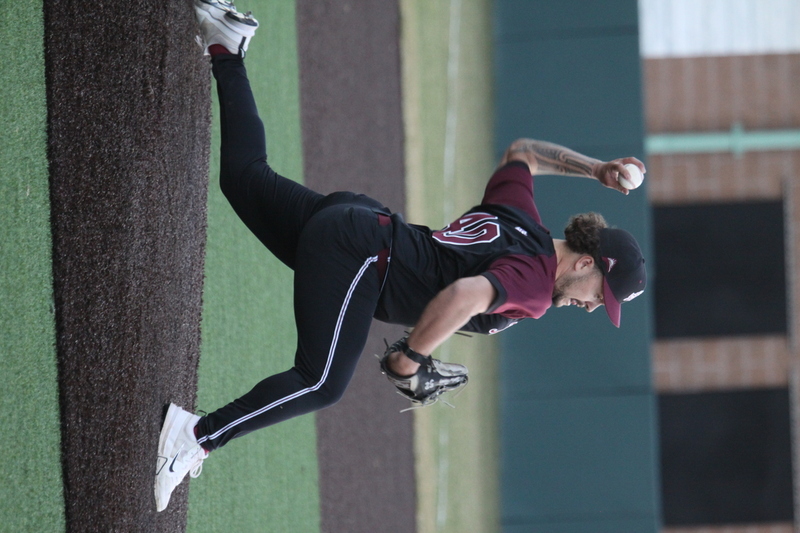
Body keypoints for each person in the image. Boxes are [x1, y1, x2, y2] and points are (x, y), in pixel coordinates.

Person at [155, 0, 648, 512]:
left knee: (245, 178)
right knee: (321, 382)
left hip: (358, 225)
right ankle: (195, 436)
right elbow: (465, 294)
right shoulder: (535, 286)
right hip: (362, 257)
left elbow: (521, 153)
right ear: (587, 263)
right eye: (600, 297)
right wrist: (410, 357)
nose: (593, 307)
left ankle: (225, 46)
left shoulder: (524, 222)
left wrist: (595, 170)